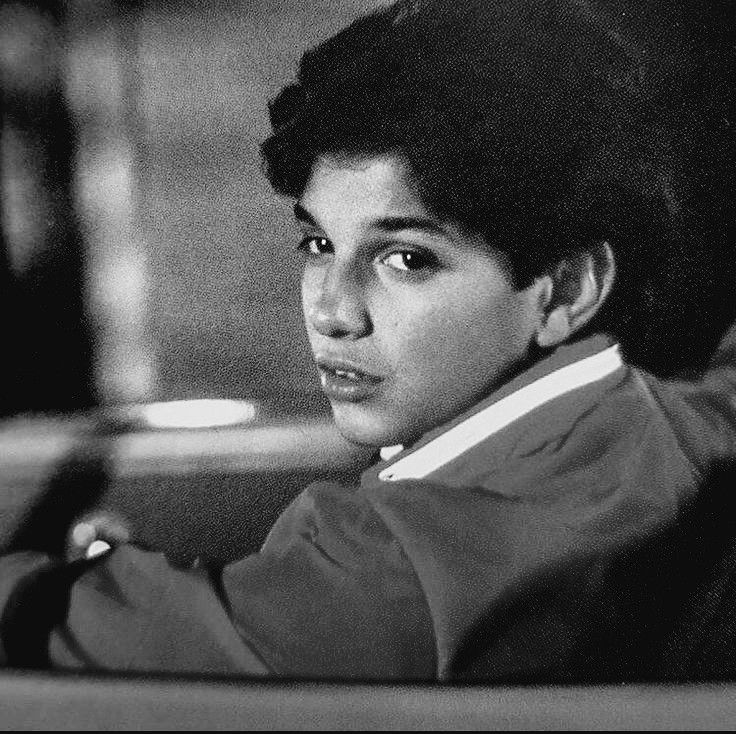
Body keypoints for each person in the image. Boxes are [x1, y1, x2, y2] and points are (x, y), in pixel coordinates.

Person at [0, 0, 734, 681]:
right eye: (319, 242)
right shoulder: (680, 425)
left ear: (567, 288)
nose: (332, 312)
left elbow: (56, 625)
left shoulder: (392, 566)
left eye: (407, 259)